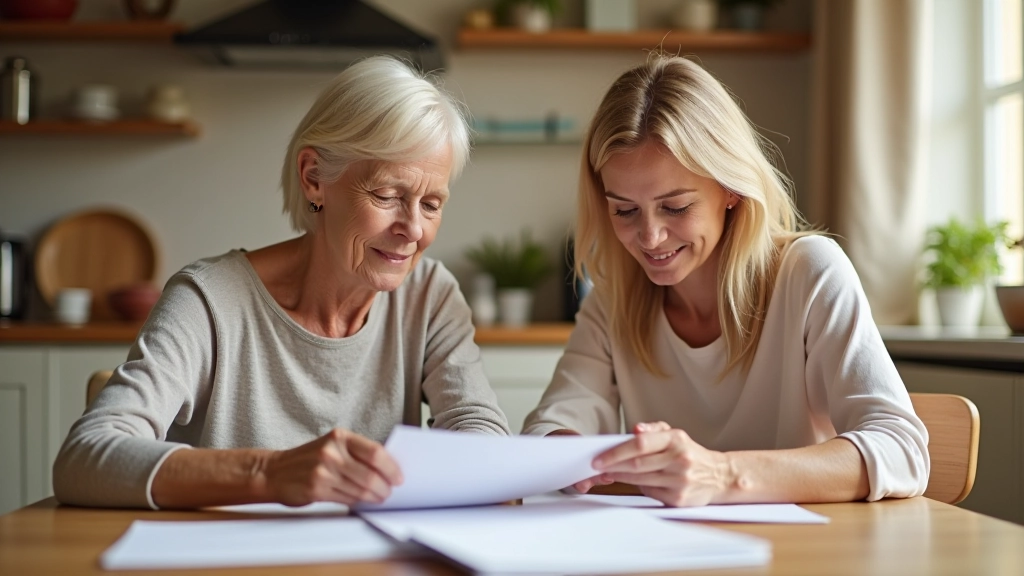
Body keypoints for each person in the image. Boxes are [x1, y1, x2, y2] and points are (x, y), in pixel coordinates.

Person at [53, 56, 510, 510]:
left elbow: (480, 428)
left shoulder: (429, 294)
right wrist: (269, 473)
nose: (413, 229)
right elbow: (85, 457)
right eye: (388, 195)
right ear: (314, 179)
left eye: (431, 204)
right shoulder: (209, 300)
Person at [522, 55, 929, 507]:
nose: (650, 237)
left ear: (731, 188)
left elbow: (903, 451)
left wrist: (722, 475)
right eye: (624, 210)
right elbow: (554, 422)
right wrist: (560, 445)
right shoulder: (613, 301)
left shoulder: (810, 272)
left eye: (675, 207)